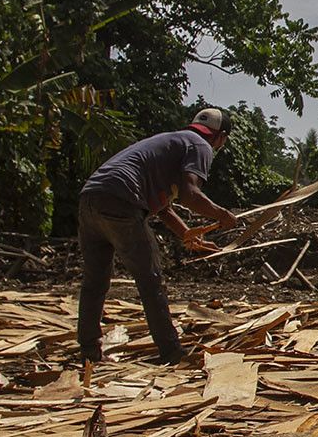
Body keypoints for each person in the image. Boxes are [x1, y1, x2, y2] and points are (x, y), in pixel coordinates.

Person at [77, 107, 240, 365]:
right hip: (122, 200)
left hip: (90, 198)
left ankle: (88, 351)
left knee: (94, 282)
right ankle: (171, 351)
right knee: (150, 279)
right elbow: (190, 193)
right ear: (221, 137)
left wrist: (186, 233)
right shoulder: (201, 146)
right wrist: (222, 215)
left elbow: (164, 207)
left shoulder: (174, 141)